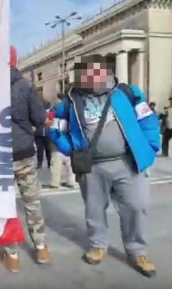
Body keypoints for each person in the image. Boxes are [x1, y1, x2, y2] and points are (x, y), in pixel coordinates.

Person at [50, 54, 160, 277]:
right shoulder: (70, 100)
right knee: (94, 208)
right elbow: (55, 129)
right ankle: (98, 245)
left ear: (106, 72)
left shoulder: (127, 93)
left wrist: (150, 146)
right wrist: (70, 149)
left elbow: (148, 121)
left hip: (127, 161)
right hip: (92, 166)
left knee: (136, 206)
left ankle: (137, 250)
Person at [1, 58, 51, 272]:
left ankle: (12, 255)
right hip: (24, 152)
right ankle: (40, 248)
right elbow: (40, 118)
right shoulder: (24, 87)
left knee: (5, 206)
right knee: (32, 202)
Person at [47, 93, 76, 188]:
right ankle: (71, 181)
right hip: (71, 138)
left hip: (60, 136)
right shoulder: (76, 105)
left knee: (56, 160)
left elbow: (54, 126)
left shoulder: (61, 107)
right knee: (70, 161)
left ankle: (55, 182)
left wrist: (53, 136)